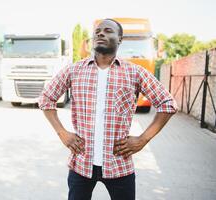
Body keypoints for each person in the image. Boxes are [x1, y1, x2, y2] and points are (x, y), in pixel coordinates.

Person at [38, 19, 177, 200]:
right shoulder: (74, 70)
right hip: (81, 164)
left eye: (107, 30)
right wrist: (62, 133)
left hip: (119, 165)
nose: (100, 33)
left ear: (120, 39)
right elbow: (46, 98)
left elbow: (167, 103)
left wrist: (143, 139)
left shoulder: (134, 72)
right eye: (97, 31)